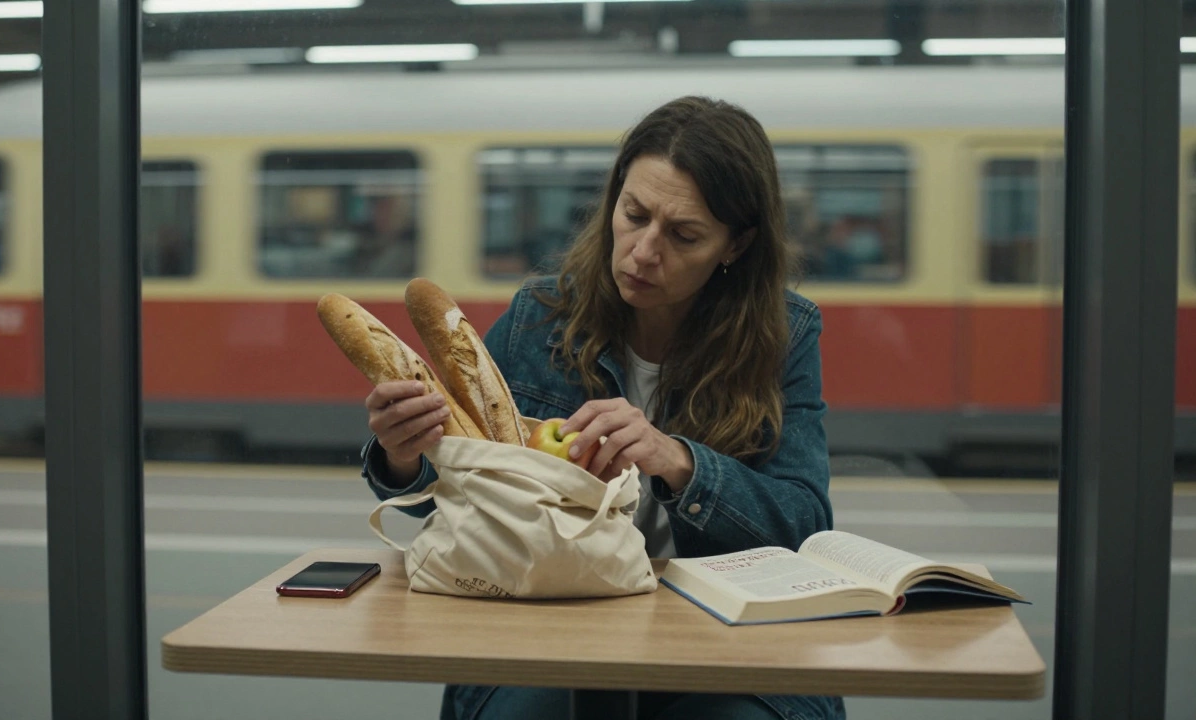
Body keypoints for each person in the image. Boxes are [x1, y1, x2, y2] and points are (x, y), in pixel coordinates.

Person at [359, 96, 843, 720]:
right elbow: (453, 495)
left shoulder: (785, 335)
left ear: (736, 245)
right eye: (633, 214)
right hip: (543, 619)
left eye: (684, 235)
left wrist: (678, 461)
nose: (643, 252)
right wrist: (404, 457)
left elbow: (804, 524)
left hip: (723, 633)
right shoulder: (539, 316)